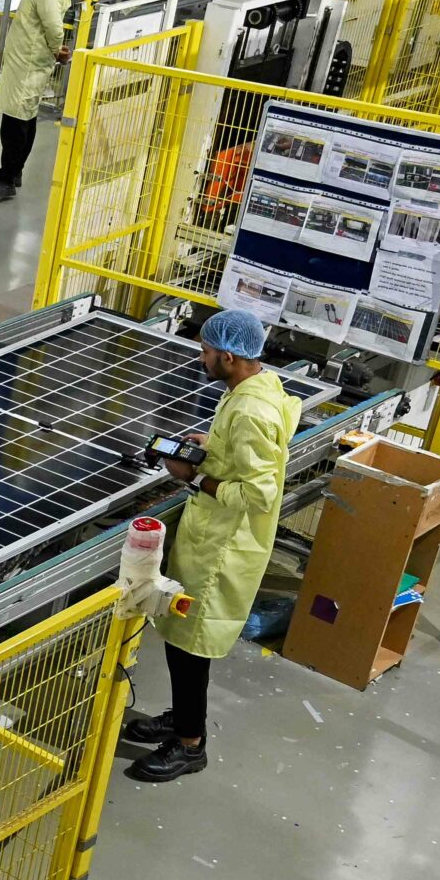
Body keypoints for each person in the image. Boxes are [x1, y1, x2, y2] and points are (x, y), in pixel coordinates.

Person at [124, 309, 302, 784]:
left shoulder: (249, 410)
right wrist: (211, 444)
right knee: (182, 638)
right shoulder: (251, 389)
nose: (200, 359)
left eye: (205, 352)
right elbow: (245, 451)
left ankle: (189, 745)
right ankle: (185, 717)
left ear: (228, 356)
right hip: (210, 537)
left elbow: (260, 494)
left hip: (224, 547)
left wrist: (196, 477)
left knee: (191, 645)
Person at [0, 0, 74, 204]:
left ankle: (6, 180)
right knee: (24, 118)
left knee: (15, 123)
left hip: (27, 66)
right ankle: (14, 171)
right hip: (26, 64)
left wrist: (59, 50)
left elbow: (54, 27)